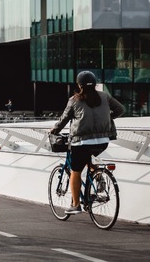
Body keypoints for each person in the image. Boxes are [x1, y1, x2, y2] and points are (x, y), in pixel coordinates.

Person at [50, 71, 124, 215]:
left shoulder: (74, 100)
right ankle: (97, 174)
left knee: (75, 172)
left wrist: (54, 130)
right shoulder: (104, 96)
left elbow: (63, 120)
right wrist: (109, 118)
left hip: (82, 142)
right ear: (95, 84)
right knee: (88, 157)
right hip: (103, 141)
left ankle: (76, 205)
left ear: (79, 85)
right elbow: (120, 109)